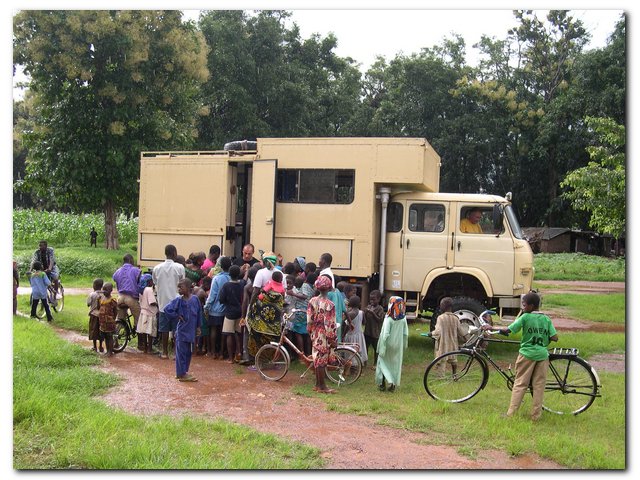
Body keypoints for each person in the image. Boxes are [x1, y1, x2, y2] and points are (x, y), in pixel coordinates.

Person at [493, 292, 558, 421]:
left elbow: (509, 330)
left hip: (527, 355)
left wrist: (491, 327)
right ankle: (536, 416)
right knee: (539, 386)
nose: (523, 308)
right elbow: (555, 337)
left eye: (524, 305)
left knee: (520, 384)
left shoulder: (525, 317)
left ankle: (511, 414)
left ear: (531, 306)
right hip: (542, 356)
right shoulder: (546, 319)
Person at [163, 278, 203, 382]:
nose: (179, 289)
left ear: (189, 288)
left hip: (191, 332)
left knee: (188, 352)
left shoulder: (195, 299)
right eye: (178, 287)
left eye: (181, 287)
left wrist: (198, 327)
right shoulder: (178, 301)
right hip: (182, 331)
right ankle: (181, 374)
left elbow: (199, 313)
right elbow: (167, 309)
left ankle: (183, 372)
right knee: (180, 353)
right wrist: (176, 316)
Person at [152, 244, 185, 359]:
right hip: (176, 303)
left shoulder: (157, 268)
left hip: (163, 303)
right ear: (175, 253)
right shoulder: (179, 267)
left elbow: (155, 282)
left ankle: (165, 352)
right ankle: (176, 353)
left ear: (165, 253)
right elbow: (182, 283)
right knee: (176, 329)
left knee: (164, 329)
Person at [306, 275, 338, 394]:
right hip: (324, 334)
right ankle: (322, 386)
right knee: (321, 360)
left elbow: (309, 319)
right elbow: (330, 323)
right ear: (329, 288)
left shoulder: (312, 301)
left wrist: (311, 331)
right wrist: (332, 338)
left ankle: (318, 384)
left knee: (317, 358)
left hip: (315, 332)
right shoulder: (329, 304)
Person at [426, 297, 469, 376]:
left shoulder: (440, 318)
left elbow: (438, 331)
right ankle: (454, 374)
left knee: (441, 361)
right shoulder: (455, 318)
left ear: (443, 306)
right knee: (453, 360)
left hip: (443, 345)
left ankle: (441, 376)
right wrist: (466, 338)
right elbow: (460, 331)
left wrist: (431, 334)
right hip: (453, 344)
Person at [375, 296, 409, 392]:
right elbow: (405, 333)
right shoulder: (403, 318)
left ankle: (384, 383)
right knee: (395, 365)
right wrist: (404, 345)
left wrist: (382, 347)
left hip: (388, 344)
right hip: (398, 345)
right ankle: (393, 383)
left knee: (382, 363)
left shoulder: (388, 318)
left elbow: (385, 334)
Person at [204, 256, 232, 359]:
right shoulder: (232, 278)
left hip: (215, 309)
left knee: (213, 330)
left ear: (220, 266)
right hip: (227, 309)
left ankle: (212, 352)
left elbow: (212, 295)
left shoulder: (217, 278)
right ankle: (221, 352)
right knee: (223, 331)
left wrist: (207, 306)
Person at [112, 253, 142, 350]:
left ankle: (115, 341)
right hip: (131, 298)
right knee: (139, 318)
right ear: (131, 260)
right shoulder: (135, 270)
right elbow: (140, 281)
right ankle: (140, 343)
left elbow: (115, 279)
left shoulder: (118, 271)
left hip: (120, 298)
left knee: (120, 318)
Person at [219, 265, 245, 363]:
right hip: (240, 311)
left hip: (229, 312)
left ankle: (230, 358)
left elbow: (221, 299)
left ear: (229, 274)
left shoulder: (226, 285)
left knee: (229, 334)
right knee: (238, 333)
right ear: (239, 274)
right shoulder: (242, 284)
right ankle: (239, 354)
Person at [344, 295, 368, 366]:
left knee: (350, 351)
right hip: (359, 334)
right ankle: (361, 362)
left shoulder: (349, 314)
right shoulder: (361, 312)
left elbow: (347, 326)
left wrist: (343, 335)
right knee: (360, 349)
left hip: (350, 335)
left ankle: (352, 364)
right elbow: (364, 322)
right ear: (359, 303)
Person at [137, 273, 158, 354]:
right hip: (150, 314)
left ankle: (145, 348)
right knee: (149, 332)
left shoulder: (141, 290)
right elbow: (152, 302)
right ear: (149, 282)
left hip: (143, 313)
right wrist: (158, 304)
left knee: (144, 332)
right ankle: (150, 349)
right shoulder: (149, 290)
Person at [364, 289, 384, 369]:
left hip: (375, 333)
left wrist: (373, 313)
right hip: (367, 331)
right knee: (365, 347)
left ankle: (375, 363)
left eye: (374, 299)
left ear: (378, 299)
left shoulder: (380, 309)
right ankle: (364, 362)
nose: (371, 301)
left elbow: (380, 320)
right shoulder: (369, 307)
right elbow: (364, 319)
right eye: (370, 299)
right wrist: (365, 312)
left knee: (376, 349)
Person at [98, 282, 118, 356]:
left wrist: (112, 318)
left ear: (111, 290)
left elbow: (115, 311)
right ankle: (107, 350)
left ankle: (110, 351)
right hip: (102, 322)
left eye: (106, 290)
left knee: (109, 337)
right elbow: (98, 308)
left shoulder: (112, 300)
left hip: (109, 322)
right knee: (106, 337)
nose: (104, 291)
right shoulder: (101, 298)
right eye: (103, 289)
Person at [86, 278, 105, 352]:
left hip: (94, 315)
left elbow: (88, 304)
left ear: (94, 286)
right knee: (101, 330)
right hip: (102, 315)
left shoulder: (92, 294)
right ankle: (101, 346)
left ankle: (94, 347)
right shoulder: (104, 294)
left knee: (93, 330)